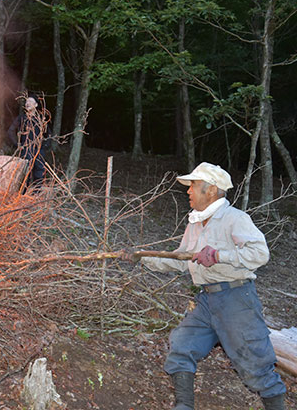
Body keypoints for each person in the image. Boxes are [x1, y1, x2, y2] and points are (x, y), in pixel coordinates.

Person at [122, 162, 287, 410]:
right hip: (206, 301)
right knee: (182, 345)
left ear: (211, 190)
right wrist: (141, 257)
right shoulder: (195, 224)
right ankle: (184, 406)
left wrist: (219, 255)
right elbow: (180, 260)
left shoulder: (235, 219)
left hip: (236, 300)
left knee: (255, 365)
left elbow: (260, 253)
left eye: (193, 186)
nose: (188, 191)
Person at [7, 93, 50, 192]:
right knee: (25, 174)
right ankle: (21, 197)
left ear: (36, 105)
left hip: (38, 150)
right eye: (26, 102)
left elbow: (48, 134)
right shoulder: (21, 118)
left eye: (30, 102)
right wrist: (18, 145)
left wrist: (45, 146)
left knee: (39, 174)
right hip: (25, 149)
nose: (27, 103)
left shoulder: (41, 119)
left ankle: (36, 196)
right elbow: (10, 131)